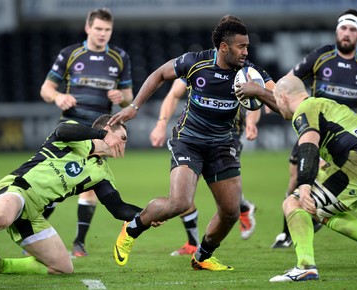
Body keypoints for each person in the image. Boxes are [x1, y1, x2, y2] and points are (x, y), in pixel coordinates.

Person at [109, 16, 278, 270]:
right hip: (188, 141)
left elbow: (283, 105)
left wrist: (261, 92)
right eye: (241, 47)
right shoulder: (195, 62)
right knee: (180, 203)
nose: (246, 52)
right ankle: (132, 228)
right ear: (223, 47)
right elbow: (158, 74)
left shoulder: (250, 74)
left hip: (222, 144)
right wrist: (134, 106)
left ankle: (202, 256)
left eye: (247, 46)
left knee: (231, 211)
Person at [265, 75, 357, 282]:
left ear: (282, 97)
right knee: (318, 210)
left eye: (276, 102)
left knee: (294, 202)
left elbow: (308, 145)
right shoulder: (329, 106)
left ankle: (305, 267)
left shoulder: (305, 109)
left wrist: (305, 184)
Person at [271, 8, 357, 248]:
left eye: (353, 30)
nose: (347, 33)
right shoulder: (321, 56)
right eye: (344, 28)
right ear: (337, 31)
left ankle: (317, 214)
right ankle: (287, 231)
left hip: (340, 136)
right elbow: (291, 79)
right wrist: (277, 97)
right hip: (312, 125)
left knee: (313, 177)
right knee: (295, 178)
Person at [40, 8, 134, 257]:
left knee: (90, 183)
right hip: (70, 130)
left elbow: (129, 99)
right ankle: (33, 229)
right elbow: (46, 89)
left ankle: (79, 242)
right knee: (56, 183)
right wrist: (58, 96)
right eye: (99, 29)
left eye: (108, 30)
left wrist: (121, 98)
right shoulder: (70, 54)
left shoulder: (119, 57)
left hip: (99, 130)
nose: (103, 34)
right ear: (88, 28)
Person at [0, 114, 142, 274]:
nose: (124, 144)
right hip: (18, 189)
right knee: (1, 218)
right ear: (108, 129)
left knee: (62, 268)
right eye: (122, 138)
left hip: (33, 215)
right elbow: (62, 130)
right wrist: (102, 135)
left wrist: (146, 216)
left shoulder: (103, 174)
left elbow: (119, 208)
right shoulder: (76, 136)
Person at [150, 78, 261, 256]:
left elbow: (257, 100)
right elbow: (173, 94)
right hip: (195, 136)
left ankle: (243, 207)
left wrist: (251, 123)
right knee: (182, 190)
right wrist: (161, 122)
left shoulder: (242, 70)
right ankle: (194, 243)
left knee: (224, 192)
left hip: (227, 138)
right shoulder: (196, 66)